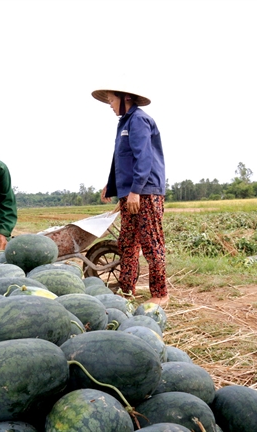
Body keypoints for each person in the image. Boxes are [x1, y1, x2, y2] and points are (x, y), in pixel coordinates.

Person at [91, 86, 169, 306]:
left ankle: (161, 294)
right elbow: (122, 159)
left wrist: (135, 190)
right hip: (131, 193)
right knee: (127, 242)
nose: (110, 106)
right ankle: (127, 290)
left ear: (126, 98)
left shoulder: (139, 121)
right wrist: (112, 185)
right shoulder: (124, 123)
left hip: (144, 192)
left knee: (151, 242)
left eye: (112, 101)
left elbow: (143, 158)